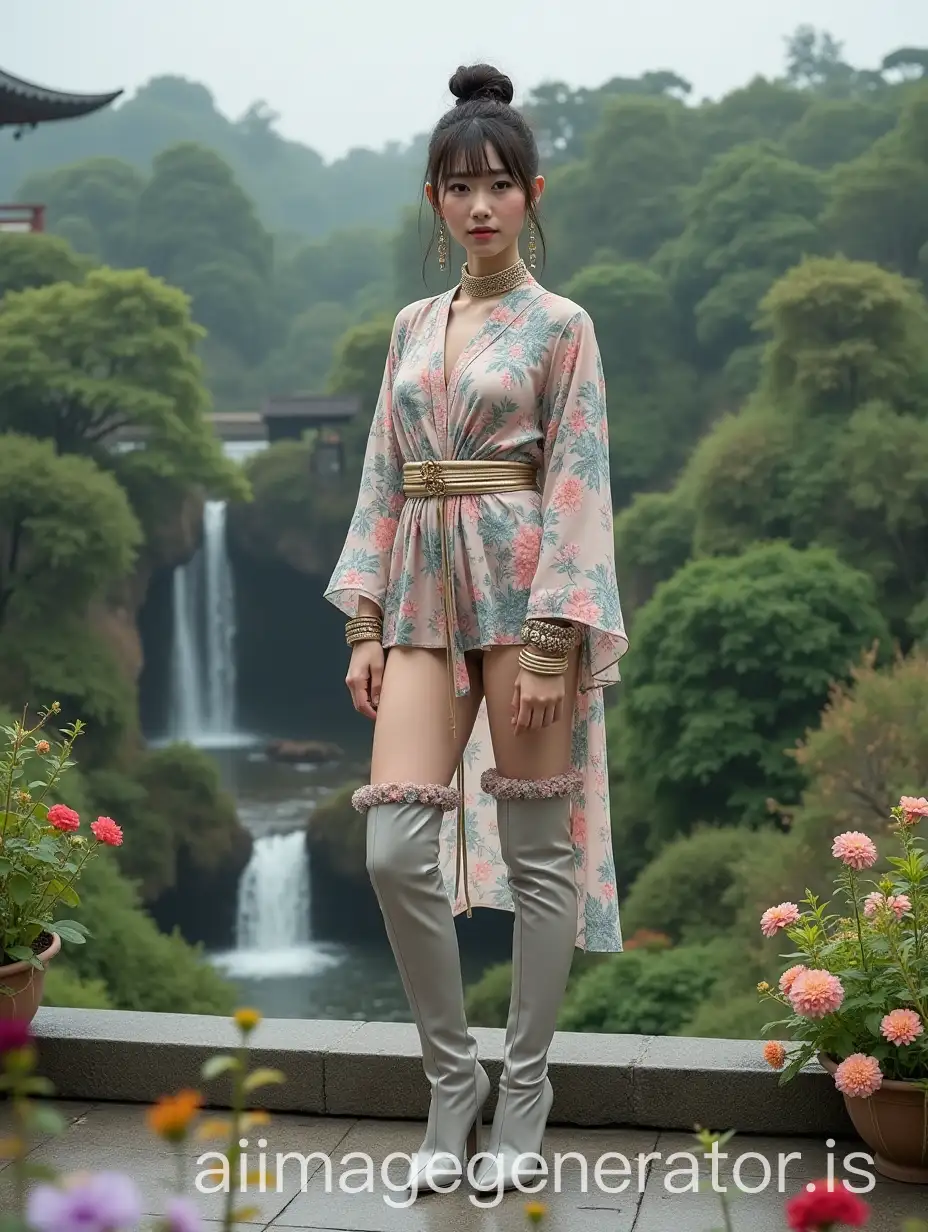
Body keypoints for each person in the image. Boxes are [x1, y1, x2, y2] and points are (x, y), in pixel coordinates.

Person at [324, 62, 628, 1196]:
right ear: (436, 199)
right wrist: (363, 621)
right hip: (416, 598)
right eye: (461, 186)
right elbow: (382, 474)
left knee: (541, 859)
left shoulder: (561, 326)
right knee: (392, 848)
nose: (482, 205)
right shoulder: (410, 325)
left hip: (522, 593)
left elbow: (581, 478)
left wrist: (555, 637)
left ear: (532, 192)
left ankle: (528, 1080)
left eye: (501, 183)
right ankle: (453, 1079)